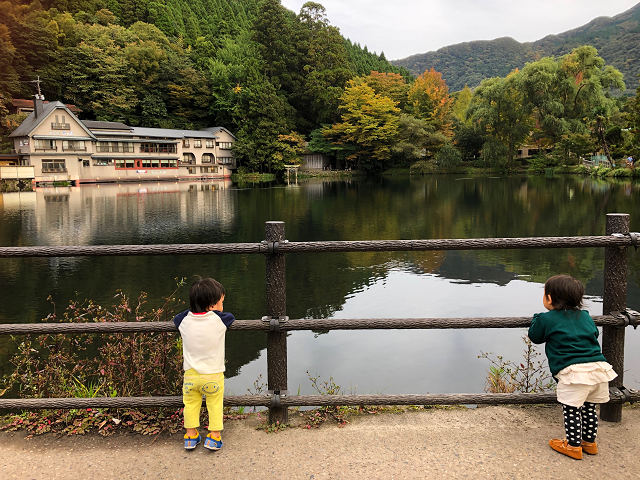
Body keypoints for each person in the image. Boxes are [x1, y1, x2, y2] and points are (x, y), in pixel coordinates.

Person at [528, 275, 617, 460]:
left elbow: (535, 336)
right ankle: (589, 443)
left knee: (571, 409)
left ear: (549, 298)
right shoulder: (584, 316)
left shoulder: (547, 318)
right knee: (589, 408)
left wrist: (538, 318)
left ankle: (573, 445)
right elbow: (593, 332)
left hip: (573, 372)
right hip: (597, 368)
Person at [173, 277, 235, 451]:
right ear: (213, 305)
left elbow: (177, 317)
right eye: (222, 302)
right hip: (213, 375)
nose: (223, 306)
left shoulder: (184, 320)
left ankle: (191, 436)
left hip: (191, 375)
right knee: (214, 405)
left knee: (191, 405)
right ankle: (214, 437)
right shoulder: (220, 319)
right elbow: (230, 317)